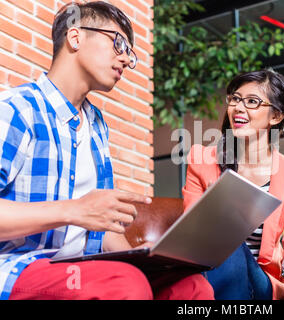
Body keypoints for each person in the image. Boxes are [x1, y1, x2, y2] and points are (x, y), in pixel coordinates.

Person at [0, 1, 213, 300]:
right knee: (122, 284)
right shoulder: (17, 110)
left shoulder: (97, 126)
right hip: (19, 268)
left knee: (192, 286)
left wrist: (149, 264)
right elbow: (83, 212)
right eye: (118, 44)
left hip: (85, 267)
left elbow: (102, 229)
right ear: (75, 38)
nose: (126, 59)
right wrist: (73, 210)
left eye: (129, 52)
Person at [182, 69, 284, 300]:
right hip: (210, 273)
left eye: (252, 102)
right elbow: (191, 234)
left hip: (262, 281)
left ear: (276, 116)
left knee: (231, 247)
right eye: (235, 99)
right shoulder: (201, 161)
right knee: (224, 244)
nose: (238, 108)